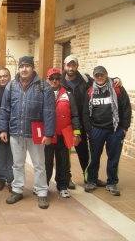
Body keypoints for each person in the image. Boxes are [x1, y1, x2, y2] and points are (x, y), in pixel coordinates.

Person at [0, 56, 55, 209]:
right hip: (16, 131)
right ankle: (17, 189)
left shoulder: (44, 86)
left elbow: (49, 111)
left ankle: (41, 191)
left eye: (27, 66)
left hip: (36, 133)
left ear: (33, 67)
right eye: (21, 66)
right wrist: (3, 129)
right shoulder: (11, 86)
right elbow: (5, 109)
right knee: (17, 164)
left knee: (39, 164)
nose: (24, 69)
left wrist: (48, 134)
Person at [61, 55, 121, 188]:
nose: (71, 68)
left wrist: (115, 79)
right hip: (65, 122)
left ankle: (89, 178)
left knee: (83, 151)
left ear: (77, 66)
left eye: (73, 65)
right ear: (64, 66)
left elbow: (100, 79)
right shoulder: (58, 81)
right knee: (65, 153)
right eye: (68, 65)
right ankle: (67, 178)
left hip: (80, 121)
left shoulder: (85, 79)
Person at [83, 66, 131, 196]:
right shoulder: (90, 91)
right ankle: (91, 180)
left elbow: (126, 107)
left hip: (115, 130)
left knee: (114, 158)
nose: (99, 77)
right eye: (97, 75)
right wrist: (89, 130)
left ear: (106, 75)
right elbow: (86, 113)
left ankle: (112, 183)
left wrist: (125, 128)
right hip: (96, 129)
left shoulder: (117, 89)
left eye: (102, 75)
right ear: (94, 76)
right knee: (94, 158)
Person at [45, 67, 81, 198]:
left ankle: (62, 187)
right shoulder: (42, 93)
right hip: (47, 136)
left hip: (63, 135)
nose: (54, 81)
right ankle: (44, 186)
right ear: (47, 79)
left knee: (63, 163)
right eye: (51, 78)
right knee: (46, 163)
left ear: (60, 79)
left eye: (57, 78)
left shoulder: (68, 94)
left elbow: (75, 115)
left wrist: (76, 134)